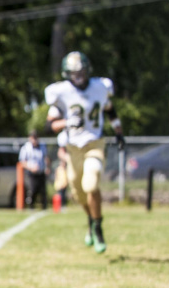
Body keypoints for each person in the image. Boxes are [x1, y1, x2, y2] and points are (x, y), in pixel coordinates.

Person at [45, 51, 125, 253]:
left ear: (87, 70)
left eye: (81, 71)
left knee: (92, 181)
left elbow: (110, 109)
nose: (78, 75)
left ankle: (98, 228)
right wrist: (67, 122)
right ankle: (91, 220)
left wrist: (118, 132)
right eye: (74, 72)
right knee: (79, 195)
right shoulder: (61, 92)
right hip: (73, 150)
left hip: (94, 144)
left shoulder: (100, 87)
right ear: (67, 74)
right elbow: (49, 125)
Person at [18, 131, 50, 209]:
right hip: (31, 173)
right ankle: (31, 206)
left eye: (36, 138)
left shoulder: (42, 146)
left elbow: (46, 158)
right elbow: (22, 162)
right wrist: (31, 168)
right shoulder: (26, 148)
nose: (34, 140)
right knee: (33, 190)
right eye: (33, 138)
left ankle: (44, 207)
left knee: (43, 191)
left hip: (41, 172)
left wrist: (47, 167)